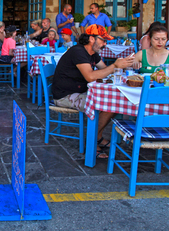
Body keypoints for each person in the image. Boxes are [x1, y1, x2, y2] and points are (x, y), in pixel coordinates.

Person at [51, 24, 134, 159]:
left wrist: (121, 66)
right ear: (91, 39)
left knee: (113, 104)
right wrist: (115, 66)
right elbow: (90, 76)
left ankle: (97, 136)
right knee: (108, 106)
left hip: (81, 91)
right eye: (103, 40)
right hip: (64, 95)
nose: (105, 44)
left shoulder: (93, 53)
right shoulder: (78, 51)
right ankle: (92, 142)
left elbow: (105, 70)